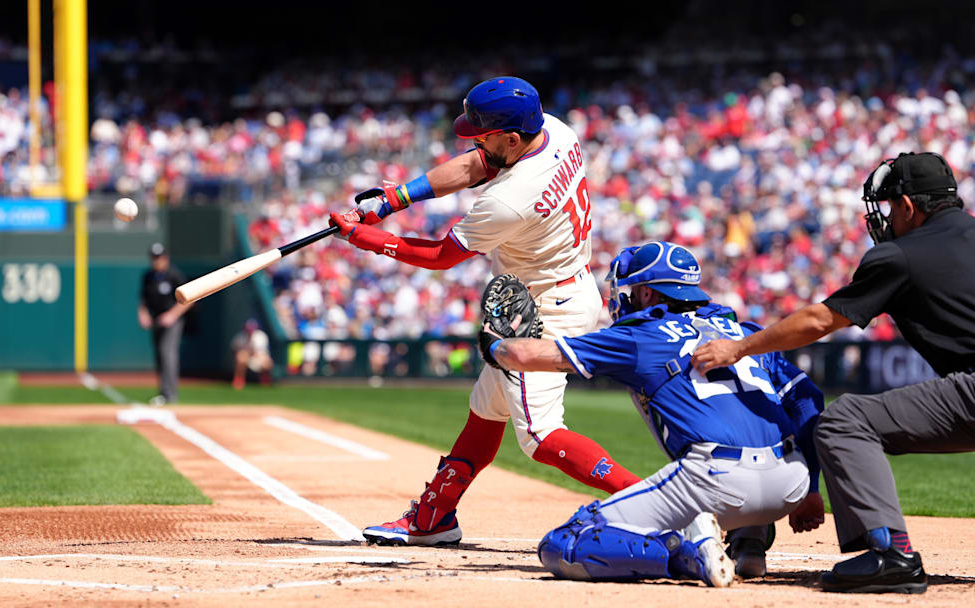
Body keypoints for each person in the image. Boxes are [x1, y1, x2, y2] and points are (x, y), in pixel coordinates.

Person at [328, 76, 641, 546]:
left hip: (543, 312)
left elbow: (441, 257)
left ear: (511, 138)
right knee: (486, 411)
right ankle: (433, 518)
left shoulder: (509, 200)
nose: (476, 142)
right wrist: (395, 199)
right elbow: (477, 163)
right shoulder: (554, 130)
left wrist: (366, 239)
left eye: (485, 135)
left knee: (540, 436)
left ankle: (658, 500)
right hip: (553, 292)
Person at [691, 152, 975, 594]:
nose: (886, 217)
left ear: (907, 206)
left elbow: (819, 321)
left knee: (845, 421)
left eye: (889, 206)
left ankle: (891, 553)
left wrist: (740, 346)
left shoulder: (900, 255)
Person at [482, 241, 826, 586]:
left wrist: (493, 342)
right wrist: (810, 486)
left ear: (647, 293)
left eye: (631, 291)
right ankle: (750, 545)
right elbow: (807, 399)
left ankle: (688, 554)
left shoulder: (638, 334)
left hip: (717, 481)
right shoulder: (745, 333)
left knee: (563, 544)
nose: (626, 299)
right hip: (790, 485)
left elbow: (523, 356)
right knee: (748, 424)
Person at [138, 242, 190, 405]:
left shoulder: (174, 275)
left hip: (172, 321)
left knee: (167, 353)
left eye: (159, 258)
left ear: (165, 258)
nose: (156, 261)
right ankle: (163, 393)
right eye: (154, 258)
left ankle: (170, 394)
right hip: (156, 319)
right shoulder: (148, 276)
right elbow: (143, 300)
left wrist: (172, 315)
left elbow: (189, 299)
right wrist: (143, 314)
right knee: (160, 356)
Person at [231, 318, 272, 389]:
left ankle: (265, 380)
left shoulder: (261, 336)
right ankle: (239, 380)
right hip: (247, 358)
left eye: (252, 329)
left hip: (258, 358)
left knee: (267, 362)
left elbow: (261, 353)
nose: (250, 331)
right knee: (241, 356)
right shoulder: (240, 337)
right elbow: (234, 349)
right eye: (248, 329)